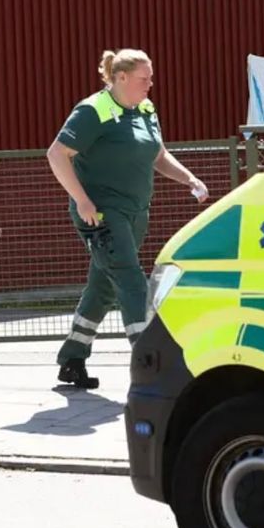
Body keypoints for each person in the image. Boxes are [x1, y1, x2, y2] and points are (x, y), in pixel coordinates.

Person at [46, 49, 209, 388]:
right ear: (120, 78)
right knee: (132, 282)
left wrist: (189, 178)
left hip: (135, 213)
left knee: (103, 286)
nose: (151, 84)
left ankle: (72, 358)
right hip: (102, 215)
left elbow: (158, 155)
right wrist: (82, 200)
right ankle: (153, 363)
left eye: (150, 78)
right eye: (143, 79)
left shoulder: (145, 109)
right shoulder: (94, 110)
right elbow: (57, 153)